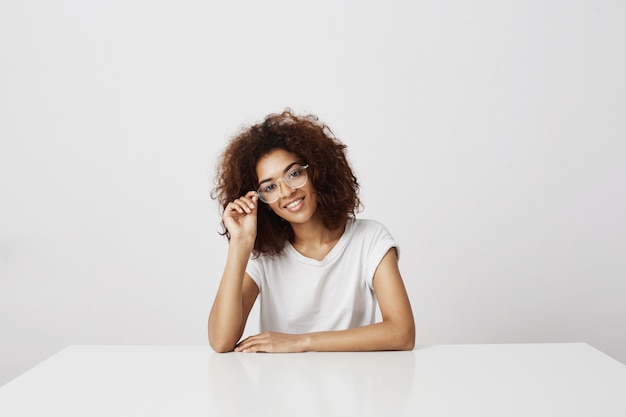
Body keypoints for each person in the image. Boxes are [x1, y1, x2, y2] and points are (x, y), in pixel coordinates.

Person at [208, 109, 415, 353]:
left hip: (355, 383)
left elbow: (403, 334)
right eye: (270, 186)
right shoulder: (264, 257)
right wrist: (239, 245)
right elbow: (221, 342)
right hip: (280, 387)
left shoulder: (370, 239)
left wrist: (301, 342)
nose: (286, 192)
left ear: (316, 170)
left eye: (294, 173)